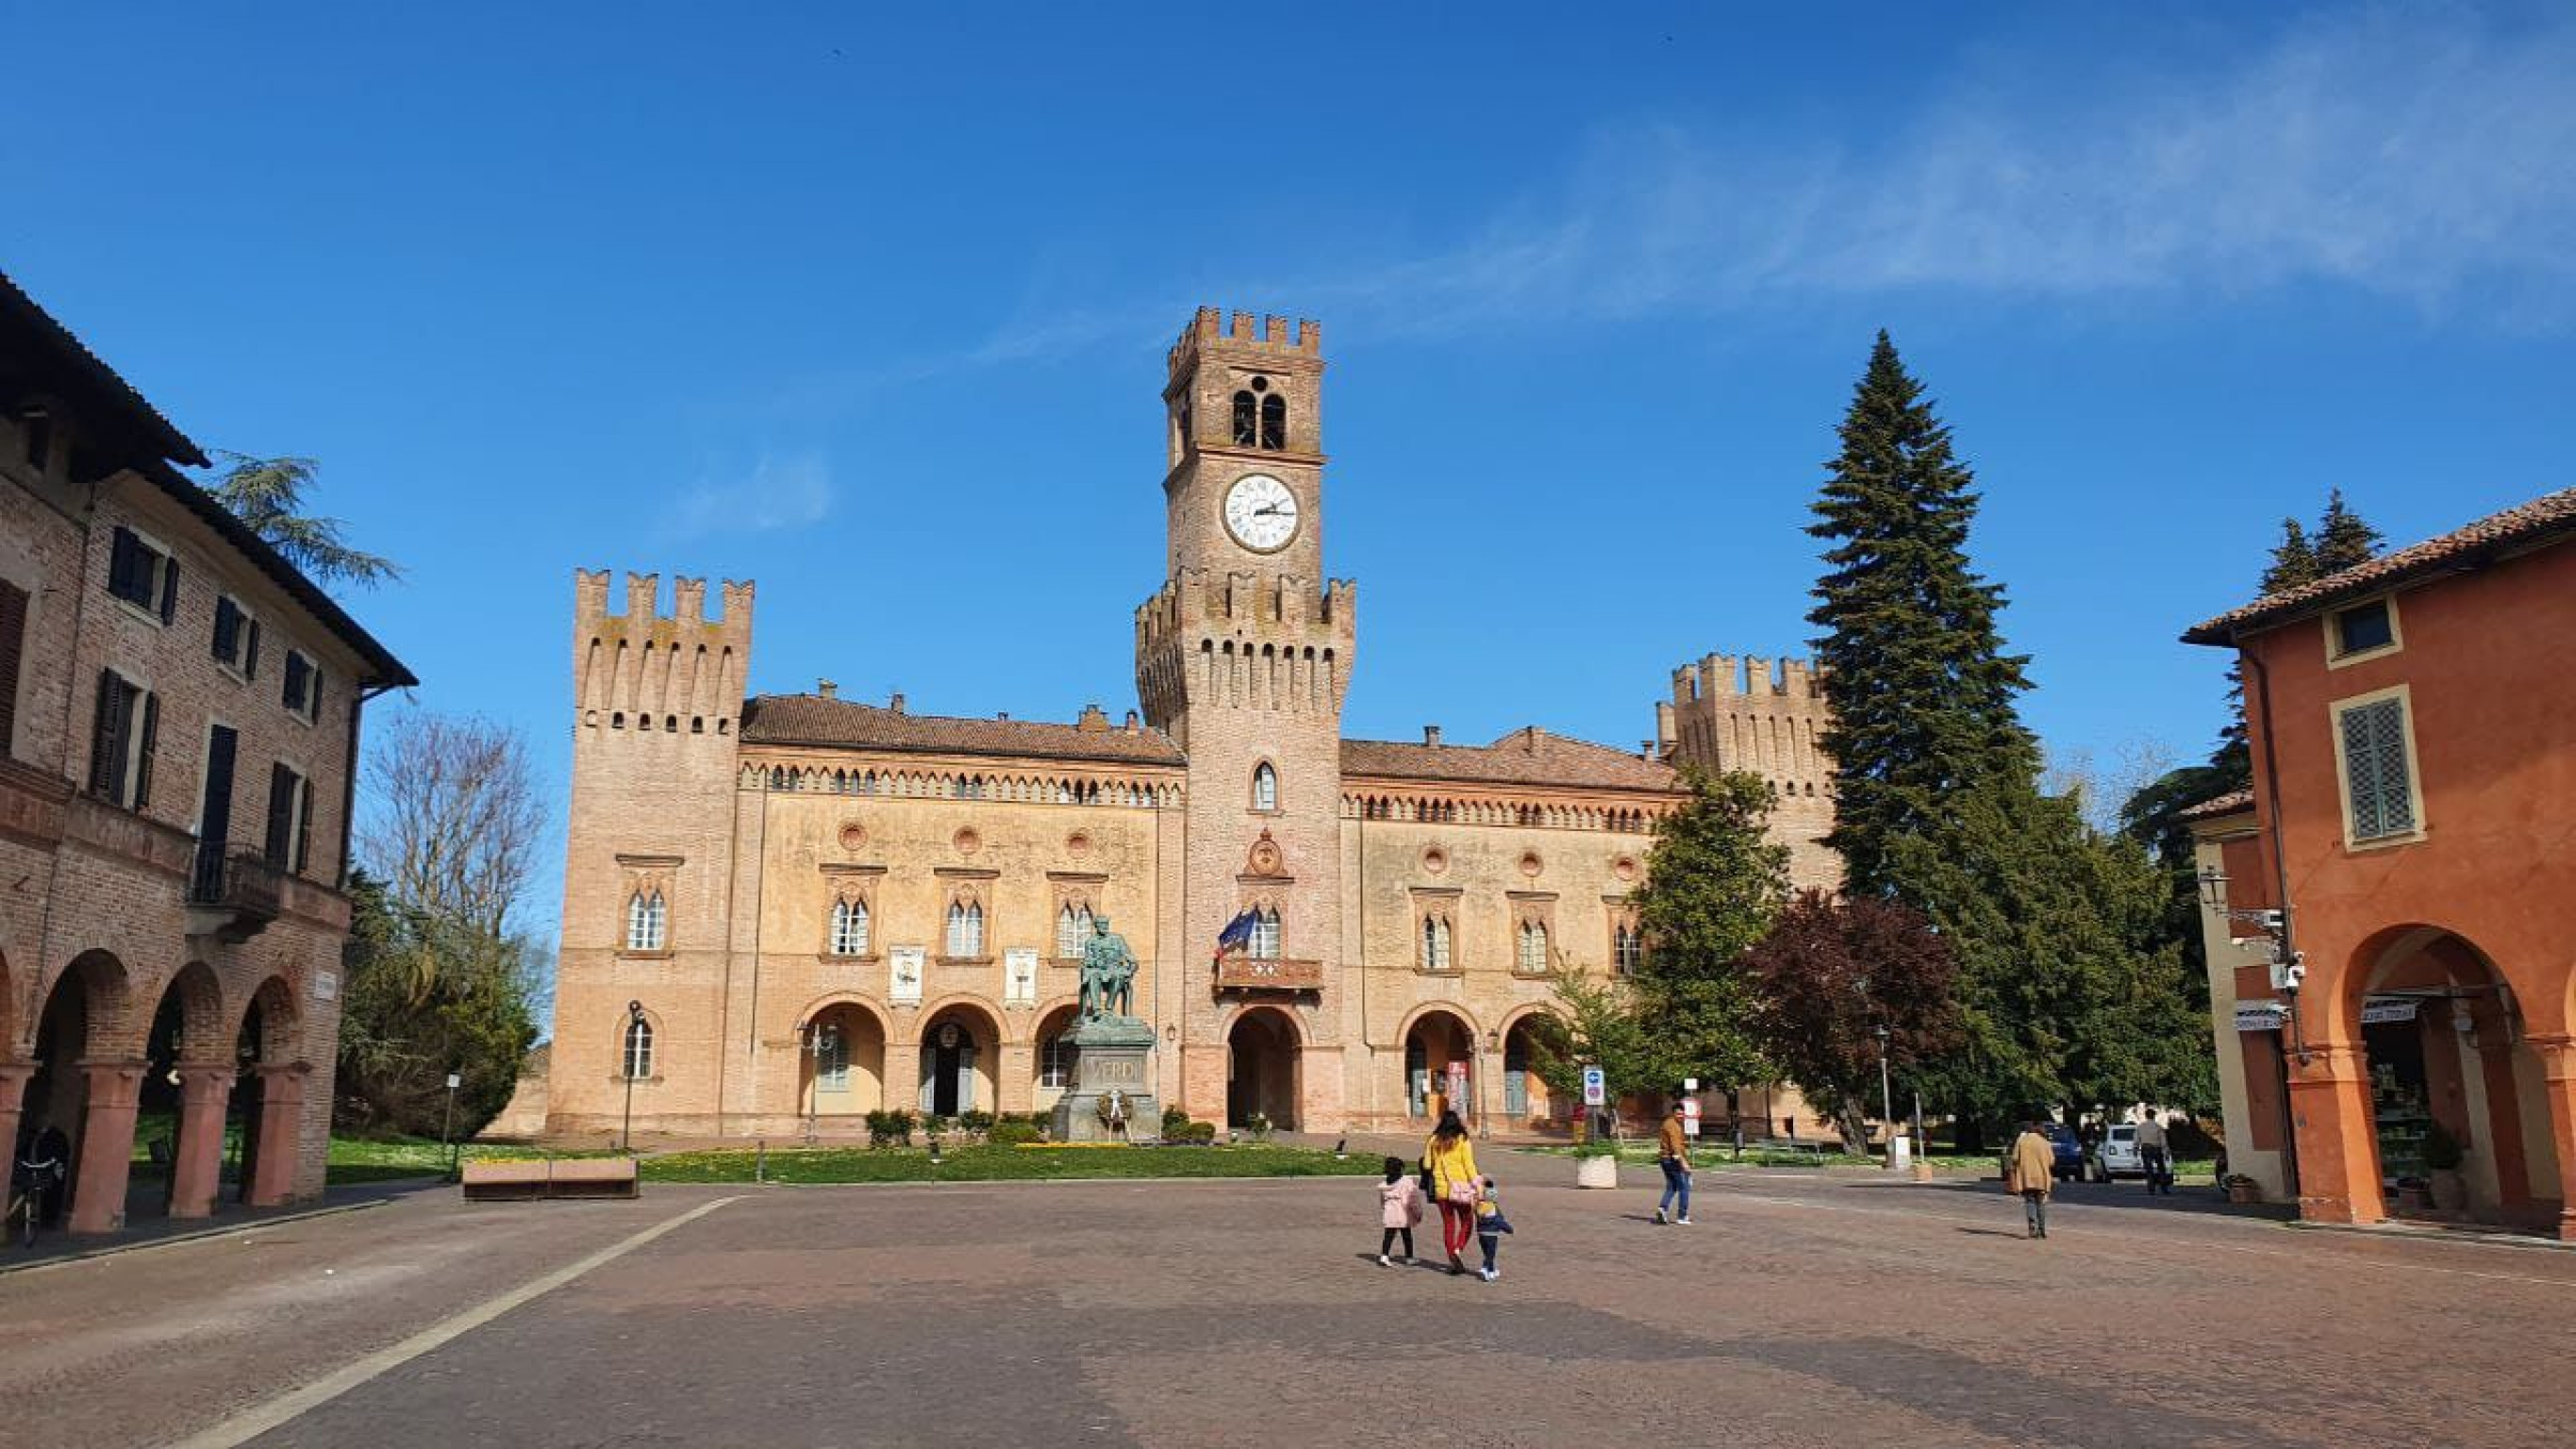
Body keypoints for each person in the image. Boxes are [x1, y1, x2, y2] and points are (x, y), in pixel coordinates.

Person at [1421, 1110, 1482, 1275]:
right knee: (1467, 1223)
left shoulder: (1433, 1140)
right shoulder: (1462, 1140)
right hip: (1461, 1189)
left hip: (1442, 1190)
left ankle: (1451, 1257)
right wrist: (1478, 1186)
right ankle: (1457, 1250)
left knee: (1449, 1226)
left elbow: (1427, 1165)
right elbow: (1469, 1165)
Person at [2006, 1119, 2056, 1239]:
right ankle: (2042, 1229)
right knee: (2041, 1202)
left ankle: (2032, 1225)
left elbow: (2014, 1158)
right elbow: (2052, 1161)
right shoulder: (2045, 1143)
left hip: (2026, 1177)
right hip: (2042, 1178)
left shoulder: (2022, 1142)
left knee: (2030, 1201)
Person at [1377, 1155, 1422, 1266]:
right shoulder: (1407, 1182)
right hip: (1403, 1214)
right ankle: (1409, 1257)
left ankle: (1384, 1256)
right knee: (1407, 1236)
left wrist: (1384, 1208)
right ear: (1400, 1168)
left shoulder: (1384, 1185)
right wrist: (1418, 1213)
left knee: (1388, 1236)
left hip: (1390, 1214)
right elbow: (1413, 1200)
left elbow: (1382, 1201)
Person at [1653, 1099, 1693, 1225]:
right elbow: (1675, 1146)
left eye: (1682, 1114)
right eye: (1678, 1114)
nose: (1680, 1116)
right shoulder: (1674, 1126)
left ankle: (1662, 1209)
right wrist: (1683, 1163)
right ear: (1673, 1114)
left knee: (1672, 1186)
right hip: (1673, 1159)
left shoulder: (1667, 1123)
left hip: (1665, 1159)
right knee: (1684, 1187)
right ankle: (1682, 1215)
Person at [1473, 1174, 1514, 1282]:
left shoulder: (1479, 1207)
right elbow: (1499, 1222)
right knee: (1490, 1255)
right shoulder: (1493, 1209)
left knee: (1487, 1253)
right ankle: (1484, 1268)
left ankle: (1491, 1272)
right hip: (1491, 1236)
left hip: (1481, 1235)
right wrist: (1509, 1229)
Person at [2136, 1111, 2171, 1195]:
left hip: (2146, 1148)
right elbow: (2163, 1141)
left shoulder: (2141, 1127)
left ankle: (2151, 1189)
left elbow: (2137, 1139)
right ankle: (2164, 1188)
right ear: (2154, 1116)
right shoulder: (2158, 1127)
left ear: (2146, 1116)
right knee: (2161, 1169)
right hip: (2156, 1148)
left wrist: (2135, 1148)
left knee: (2149, 1170)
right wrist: (2166, 1151)